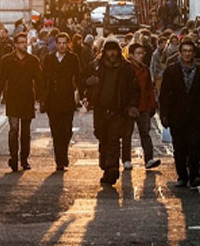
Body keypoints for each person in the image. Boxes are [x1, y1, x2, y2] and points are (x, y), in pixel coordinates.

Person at [159, 39, 200, 188]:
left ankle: (194, 175)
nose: (187, 54)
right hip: (177, 116)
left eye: (190, 51)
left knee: (195, 146)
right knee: (180, 148)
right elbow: (164, 94)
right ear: (180, 53)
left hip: (195, 116)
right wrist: (164, 114)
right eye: (185, 51)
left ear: (194, 53)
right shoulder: (171, 70)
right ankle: (182, 176)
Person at [86, 38, 139, 186]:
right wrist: (88, 84)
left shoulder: (126, 68)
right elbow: (82, 77)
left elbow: (134, 89)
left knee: (114, 140)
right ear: (104, 52)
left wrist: (132, 105)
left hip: (118, 110)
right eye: (109, 50)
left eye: (115, 50)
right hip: (100, 110)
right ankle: (105, 166)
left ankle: (113, 168)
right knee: (102, 137)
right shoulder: (97, 66)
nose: (112, 53)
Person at [0, 32, 43, 172]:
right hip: (13, 98)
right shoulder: (7, 60)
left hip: (27, 99)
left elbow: (39, 81)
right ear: (15, 45)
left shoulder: (33, 60)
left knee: (25, 132)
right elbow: (1, 81)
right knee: (14, 130)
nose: (23, 45)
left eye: (25, 42)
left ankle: (24, 159)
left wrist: (41, 99)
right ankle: (13, 158)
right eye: (20, 42)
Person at [41, 32, 81, 171]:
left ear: (68, 44)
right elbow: (43, 78)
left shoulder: (73, 58)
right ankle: (60, 159)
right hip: (52, 100)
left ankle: (63, 154)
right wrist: (42, 98)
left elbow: (78, 76)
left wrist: (81, 94)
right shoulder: (49, 58)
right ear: (56, 44)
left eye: (65, 43)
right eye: (59, 43)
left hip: (67, 99)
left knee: (67, 130)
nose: (62, 46)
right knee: (56, 131)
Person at [125, 43, 161, 170]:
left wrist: (153, 104)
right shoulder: (126, 69)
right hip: (129, 107)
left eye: (142, 53)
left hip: (144, 106)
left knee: (145, 133)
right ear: (131, 55)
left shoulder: (145, 69)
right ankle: (126, 160)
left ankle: (149, 159)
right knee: (126, 134)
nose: (141, 56)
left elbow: (149, 89)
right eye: (138, 53)